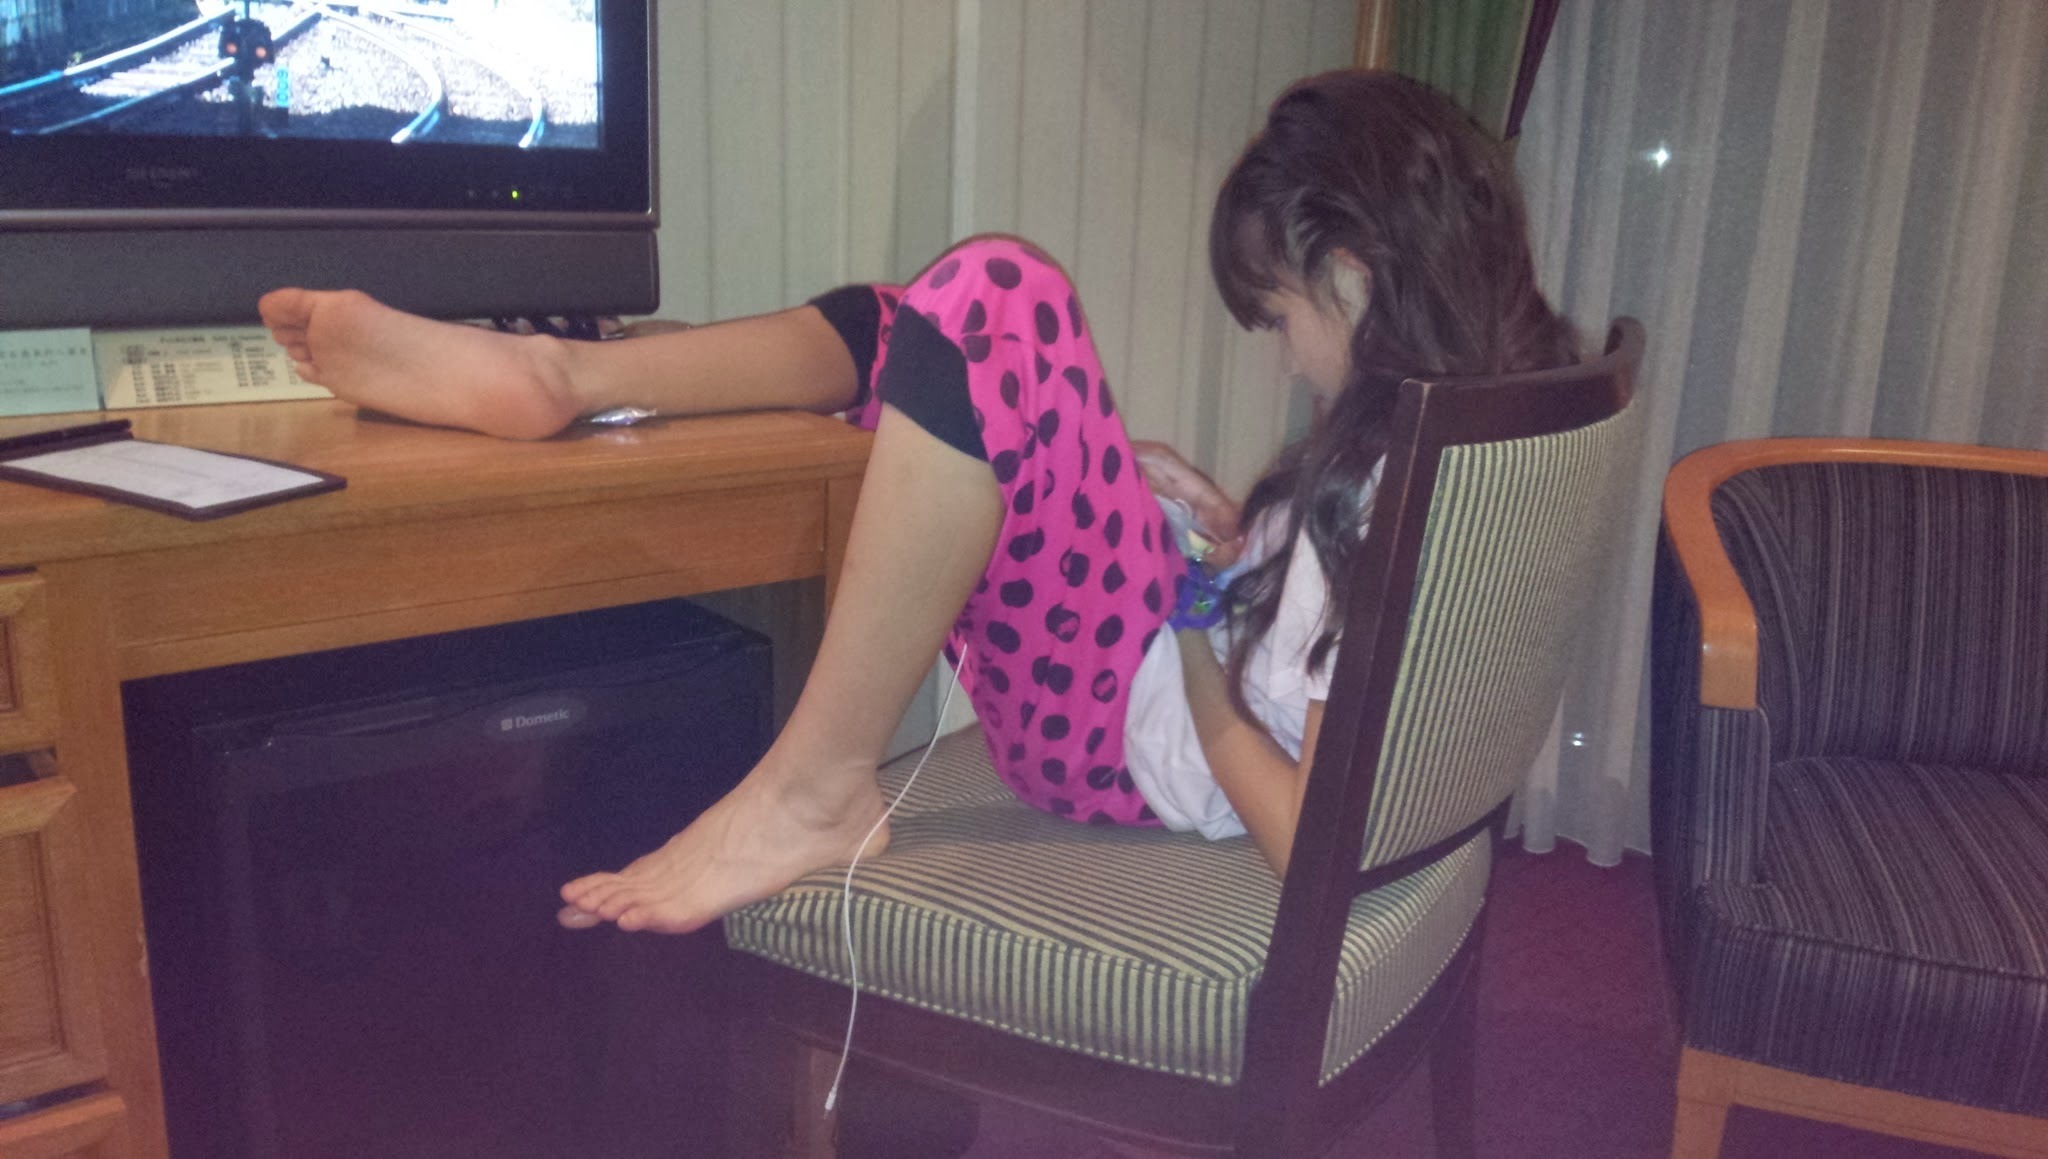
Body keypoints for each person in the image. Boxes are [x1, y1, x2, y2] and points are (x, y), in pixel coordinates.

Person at [258, 70, 1578, 935]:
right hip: (1159, 656)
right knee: (908, 325)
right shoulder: (1460, 433)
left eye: (1278, 316)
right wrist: (1217, 539)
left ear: (1354, 273)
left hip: (1118, 734)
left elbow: (1309, 834)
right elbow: (1320, 651)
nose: (1282, 356)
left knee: (994, 298)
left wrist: (1189, 620)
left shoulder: (1386, 494)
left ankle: (813, 789)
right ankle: (568, 376)